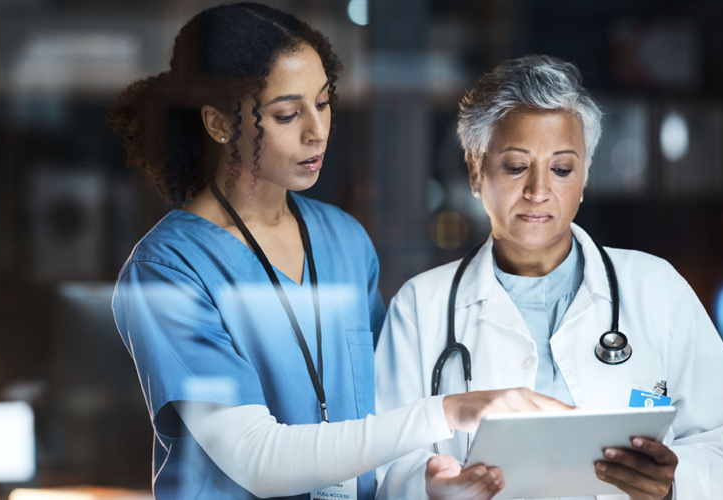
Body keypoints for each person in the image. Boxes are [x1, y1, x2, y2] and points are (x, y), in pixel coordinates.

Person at [109, 6, 571, 500]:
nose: (317, 131)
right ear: (219, 124)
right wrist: (449, 409)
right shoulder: (169, 269)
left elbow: (380, 422)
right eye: (287, 114)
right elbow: (255, 460)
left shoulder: (344, 239)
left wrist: (435, 483)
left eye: (324, 103)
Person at [375, 55, 723, 500]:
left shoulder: (655, 288)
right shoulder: (421, 307)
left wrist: (672, 486)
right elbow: (383, 464)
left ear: (585, 176)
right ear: (475, 172)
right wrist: (432, 489)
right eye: (515, 166)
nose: (538, 191)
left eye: (562, 168)